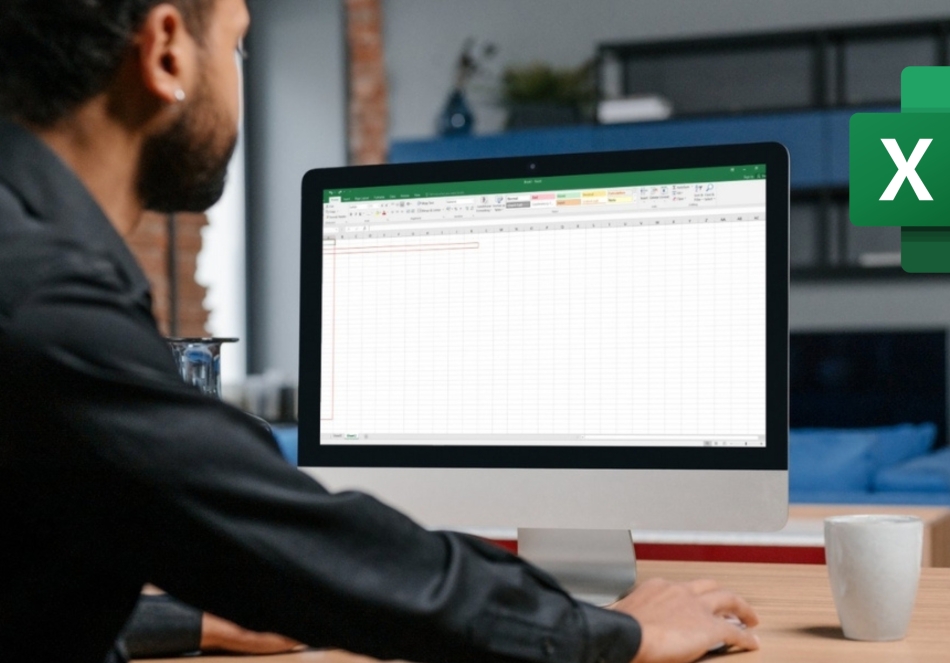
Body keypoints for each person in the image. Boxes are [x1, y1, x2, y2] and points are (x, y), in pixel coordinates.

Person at [0, 1, 761, 662]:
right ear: (167, 52)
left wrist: (195, 619)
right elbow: (304, 547)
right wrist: (614, 633)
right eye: (237, 43)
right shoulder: (43, 303)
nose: (238, 77)